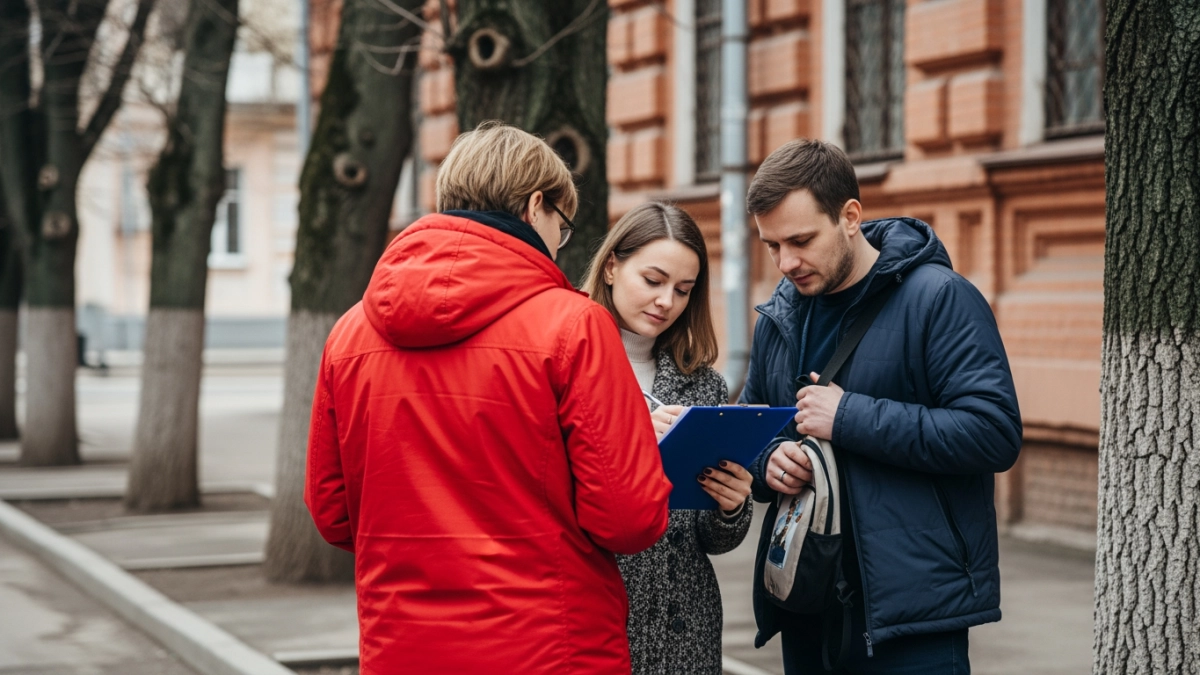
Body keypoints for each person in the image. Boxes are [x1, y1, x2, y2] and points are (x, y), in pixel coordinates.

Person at [304, 121, 672, 675]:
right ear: (535, 205)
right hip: (550, 649)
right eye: (562, 225)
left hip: (402, 649)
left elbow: (334, 515)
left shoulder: (350, 335)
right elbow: (629, 519)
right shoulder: (574, 326)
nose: (560, 243)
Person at [738, 139, 1022, 673]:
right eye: (772, 245)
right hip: (806, 604)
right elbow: (752, 429)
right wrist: (769, 463)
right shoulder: (780, 315)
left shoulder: (940, 298)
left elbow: (992, 432)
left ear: (850, 217)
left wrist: (847, 417)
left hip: (911, 618)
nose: (786, 262)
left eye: (801, 240)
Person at [581, 202, 754, 674]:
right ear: (612, 267)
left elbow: (710, 539)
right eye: (653, 281)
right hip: (599, 613)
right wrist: (630, 438)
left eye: (682, 290)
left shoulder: (703, 385)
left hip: (685, 627)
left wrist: (731, 505)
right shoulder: (570, 363)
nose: (665, 302)